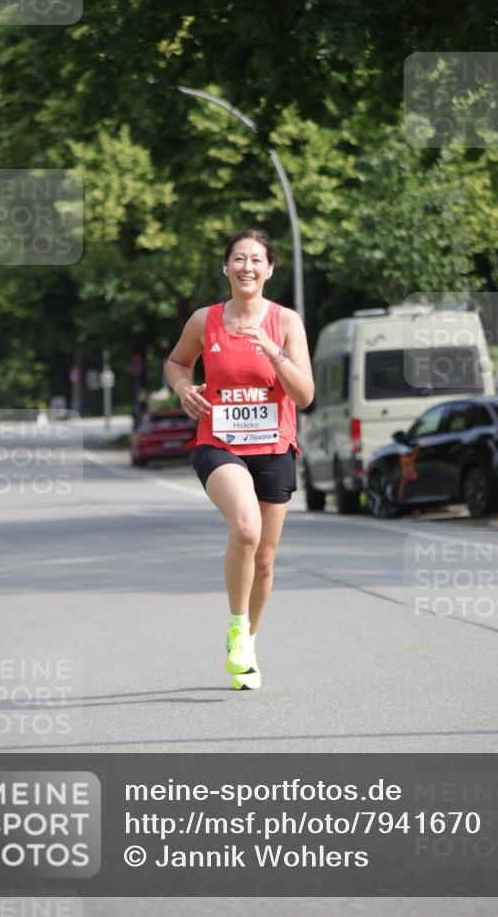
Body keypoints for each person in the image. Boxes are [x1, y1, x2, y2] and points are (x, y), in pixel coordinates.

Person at [165, 229, 314, 691]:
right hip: (220, 442)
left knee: (266, 560)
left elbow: (304, 395)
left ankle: (246, 644)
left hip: (274, 446)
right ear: (226, 268)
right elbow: (176, 363)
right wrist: (182, 388)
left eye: (256, 260)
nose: (246, 267)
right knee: (246, 529)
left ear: (269, 270)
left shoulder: (286, 322)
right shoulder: (203, 320)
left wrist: (273, 352)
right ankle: (236, 624)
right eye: (238, 259)